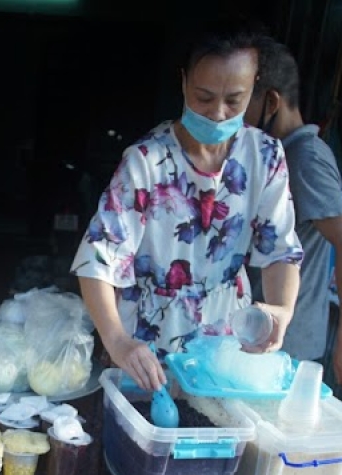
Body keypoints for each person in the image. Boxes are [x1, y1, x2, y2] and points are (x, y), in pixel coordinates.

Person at [72, 24, 304, 392]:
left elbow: (280, 250)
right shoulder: (146, 161)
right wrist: (117, 341)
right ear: (184, 83)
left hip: (226, 345)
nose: (217, 113)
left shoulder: (264, 156)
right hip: (146, 345)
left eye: (234, 100)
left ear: (254, 87)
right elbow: (98, 259)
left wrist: (282, 311)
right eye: (204, 97)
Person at [243, 36, 342, 390]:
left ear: (271, 102)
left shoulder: (304, 159)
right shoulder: (272, 156)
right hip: (263, 338)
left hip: (288, 348)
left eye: (239, 102)